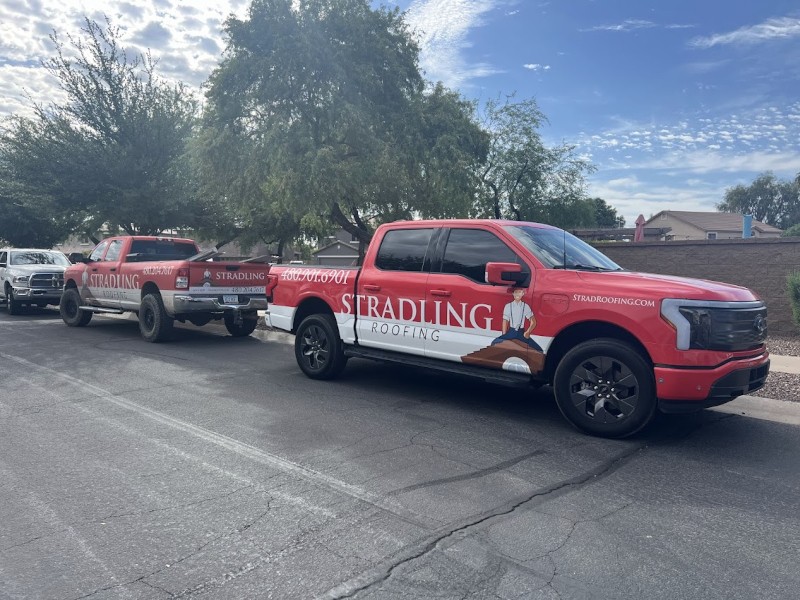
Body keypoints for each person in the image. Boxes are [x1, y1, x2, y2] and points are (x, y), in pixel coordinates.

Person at [491, 287, 543, 352]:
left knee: (538, 350)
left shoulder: (525, 306)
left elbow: (533, 321)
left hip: (521, 332)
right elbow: (505, 321)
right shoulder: (508, 306)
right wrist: (504, 335)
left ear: (523, 294)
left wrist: (528, 332)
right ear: (513, 294)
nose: (517, 294)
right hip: (511, 332)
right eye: (516, 292)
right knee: (494, 343)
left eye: (519, 292)